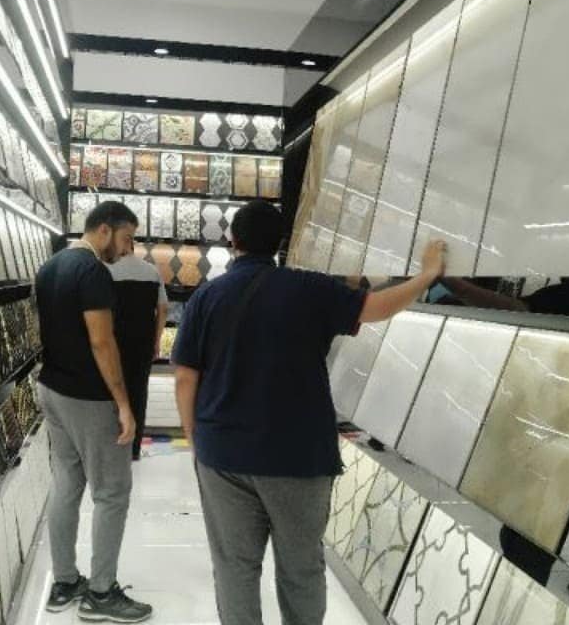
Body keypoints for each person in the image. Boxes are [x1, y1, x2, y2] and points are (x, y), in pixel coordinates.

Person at [171, 200, 446, 625]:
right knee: (301, 567)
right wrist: (427, 275)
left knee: (234, 566)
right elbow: (377, 307)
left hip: (222, 453)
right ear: (282, 243)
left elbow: (185, 377)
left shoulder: (207, 296)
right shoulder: (311, 289)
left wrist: (195, 438)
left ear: (233, 241)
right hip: (297, 456)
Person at [35, 201, 153, 623]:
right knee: (111, 492)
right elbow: (103, 344)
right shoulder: (93, 273)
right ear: (103, 230)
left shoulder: (50, 267)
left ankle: (65, 581)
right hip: (89, 398)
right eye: (126, 239)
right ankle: (101, 593)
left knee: (66, 483)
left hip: (52, 389)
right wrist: (124, 404)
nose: (127, 249)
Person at [106, 247, 169, 460]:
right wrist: (156, 339)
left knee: (114, 391)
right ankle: (133, 450)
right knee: (139, 393)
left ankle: (114, 445)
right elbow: (163, 309)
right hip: (142, 343)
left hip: (113, 342)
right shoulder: (152, 271)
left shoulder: (107, 270)